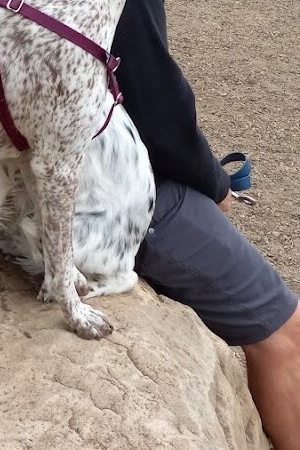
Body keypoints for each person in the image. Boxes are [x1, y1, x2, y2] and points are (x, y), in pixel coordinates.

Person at [111, 0, 300, 447]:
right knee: (285, 333)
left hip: (22, 181)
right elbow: (158, 116)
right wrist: (215, 186)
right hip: (113, 194)